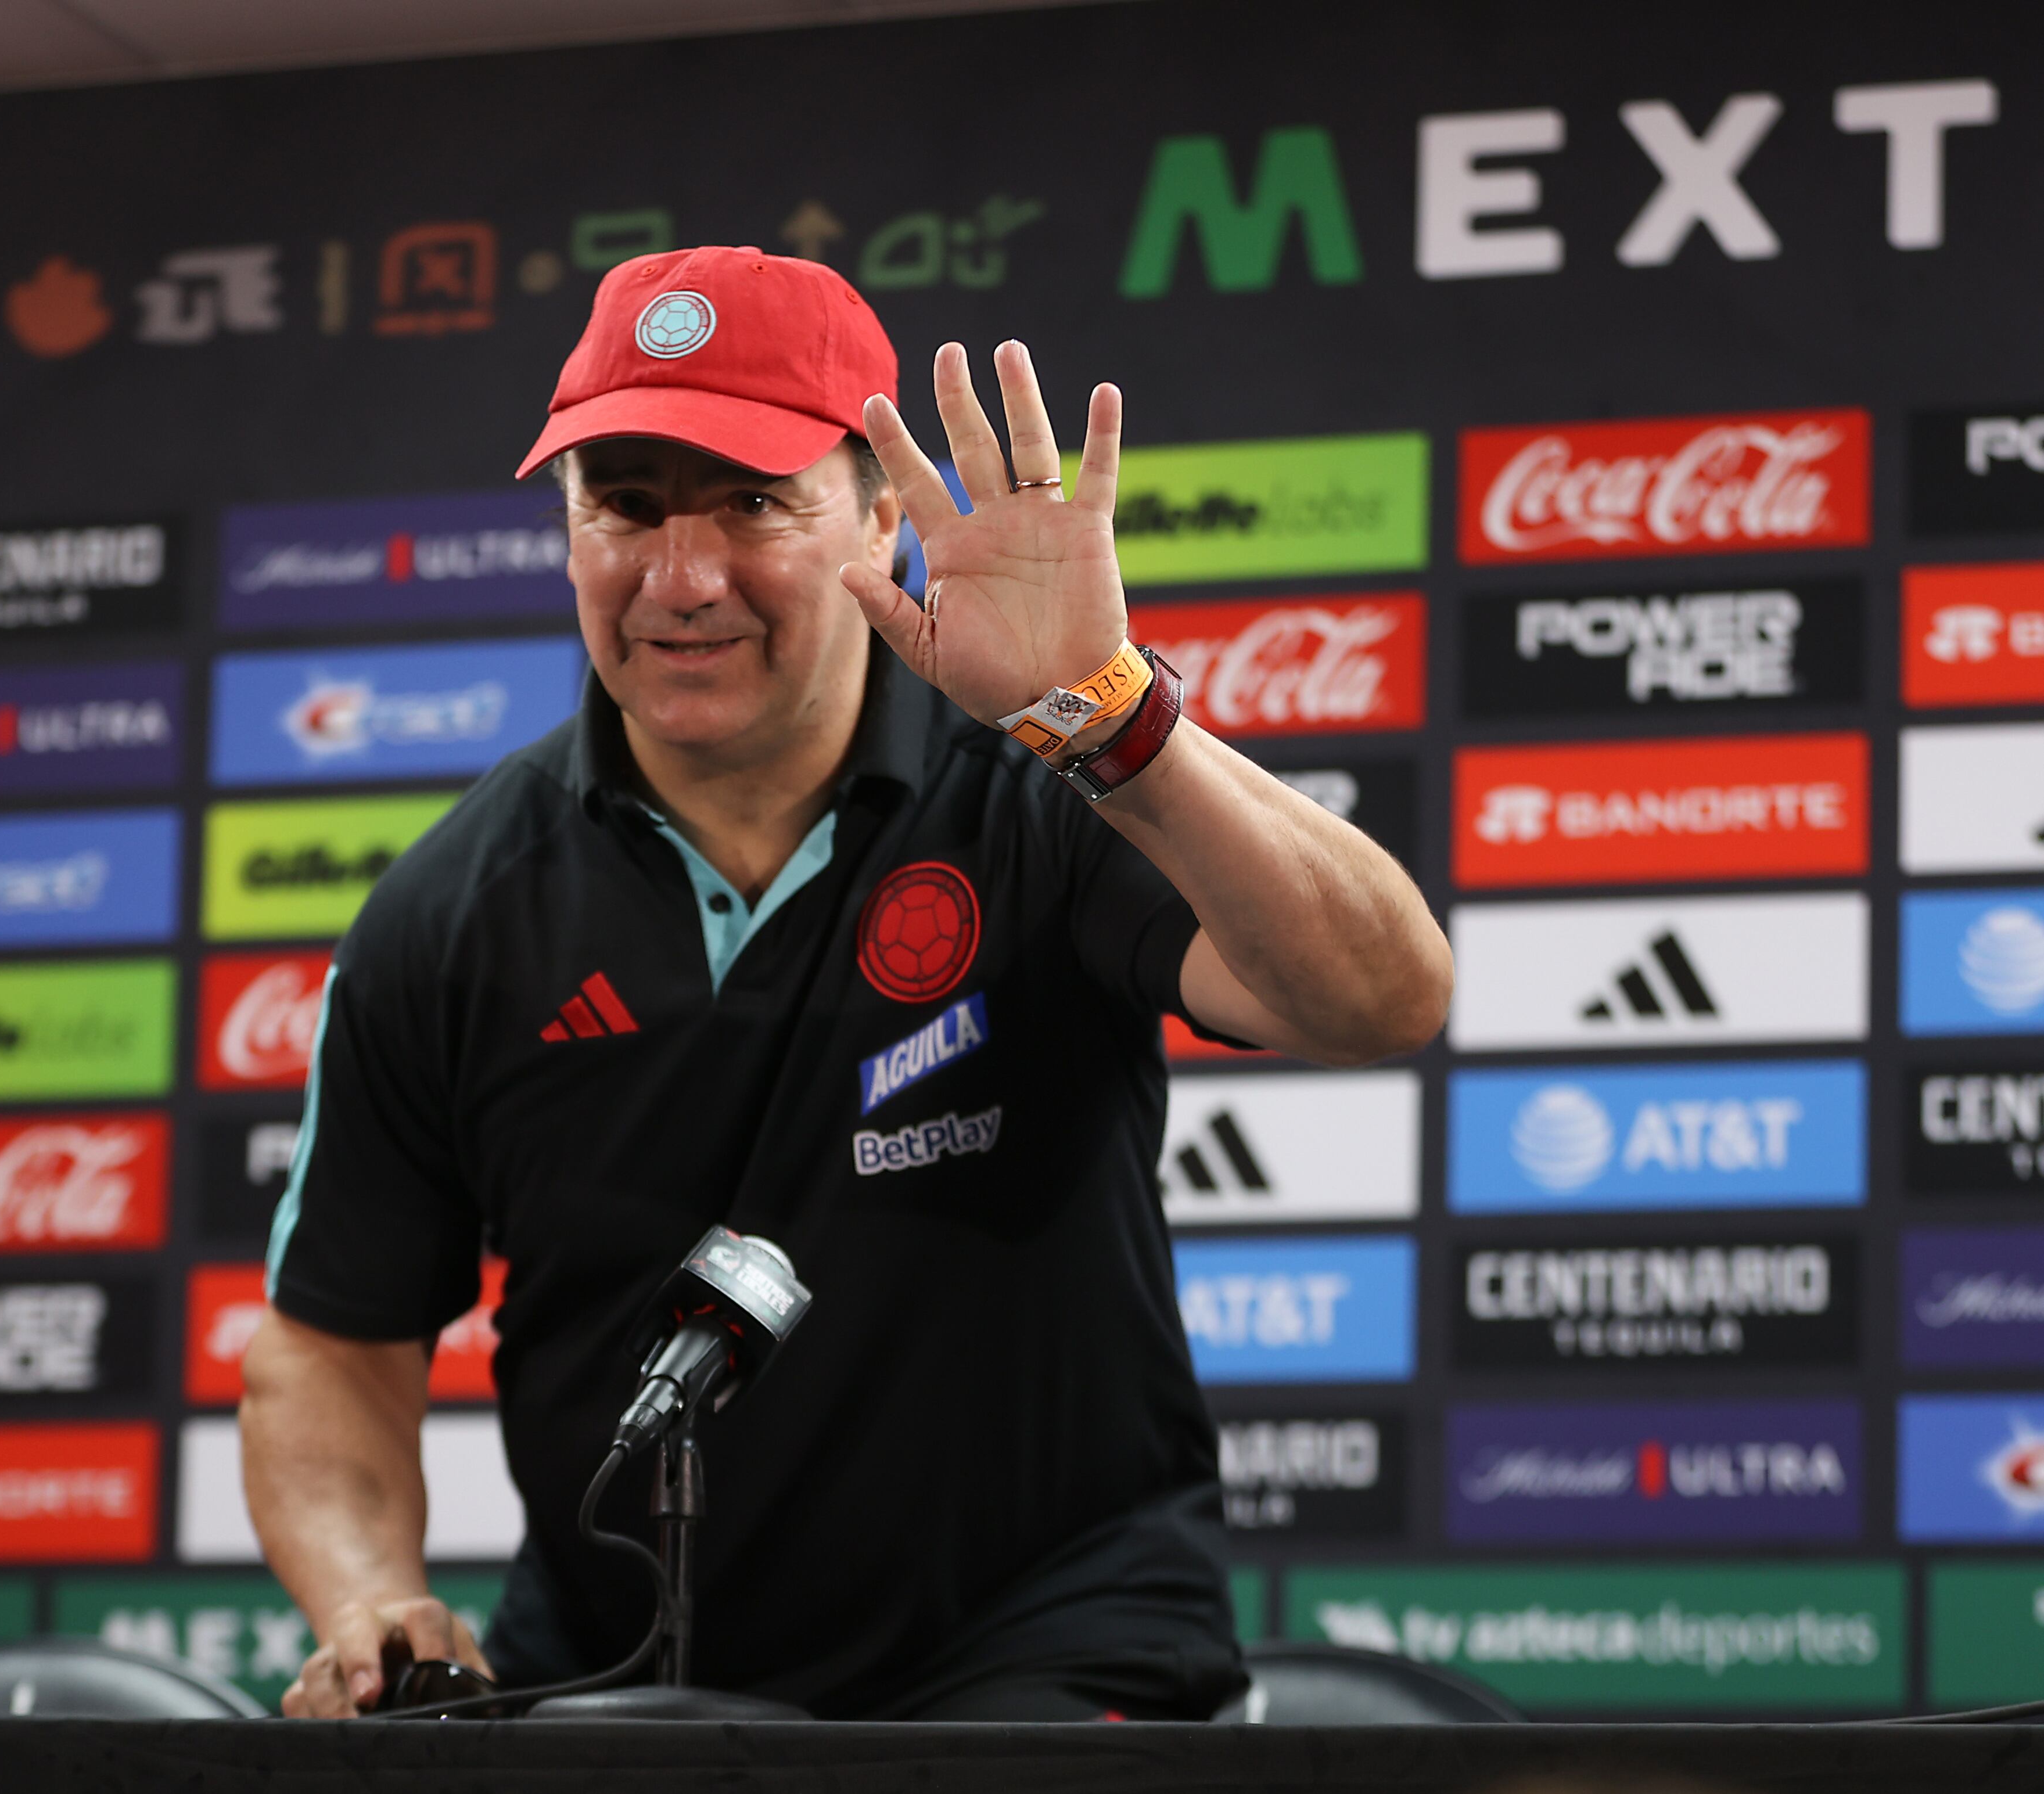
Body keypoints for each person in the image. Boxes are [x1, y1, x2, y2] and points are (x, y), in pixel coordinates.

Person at [236, 245, 1452, 1722]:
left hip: (1050, 1656)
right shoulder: (449, 911)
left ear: (882, 518)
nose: (681, 580)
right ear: (567, 534)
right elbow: (329, 1345)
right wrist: (370, 1595)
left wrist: (1110, 717)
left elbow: (1381, 998)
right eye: (624, 506)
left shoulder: (1050, 789)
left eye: (753, 502)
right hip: (623, 1672)